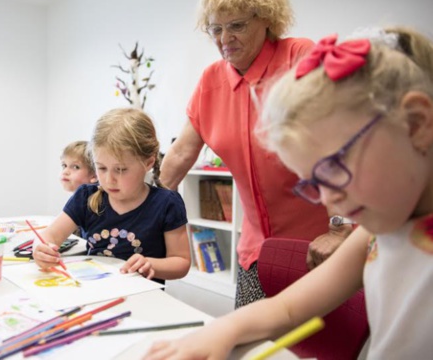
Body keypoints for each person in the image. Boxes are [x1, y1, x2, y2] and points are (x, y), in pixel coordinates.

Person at [143, 28, 433, 359]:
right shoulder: (375, 233)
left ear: (415, 123)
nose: (327, 201)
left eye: (334, 169)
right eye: (313, 182)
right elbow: (288, 309)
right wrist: (222, 330)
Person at [159, 0, 349, 308]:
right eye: (215, 29)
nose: (224, 38)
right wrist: (145, 208)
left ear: (266, 19)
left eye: (237, 25)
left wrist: (339, 229)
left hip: (319, 242)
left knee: (313, 348)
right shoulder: (211, 80)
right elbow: (180, 154)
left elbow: (341, 145)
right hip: (256, 249)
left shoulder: (299, 58)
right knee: (250, 344)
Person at [33, 108, 191, 281]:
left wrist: (151, 264)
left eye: (121, 169)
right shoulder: (86, 197)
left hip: (143, 296)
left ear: (148, 163)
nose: (109, 179)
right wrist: (40, 248)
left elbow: (181, 262)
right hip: (94, 290)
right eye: (101, 168)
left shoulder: (167, 204)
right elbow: (51, 236)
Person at [60, 140, 97, 237]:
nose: (65, 172)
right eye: (64, 165)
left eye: (75, 167)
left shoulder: (93, 204)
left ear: (94, 175)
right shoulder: (76, 201)